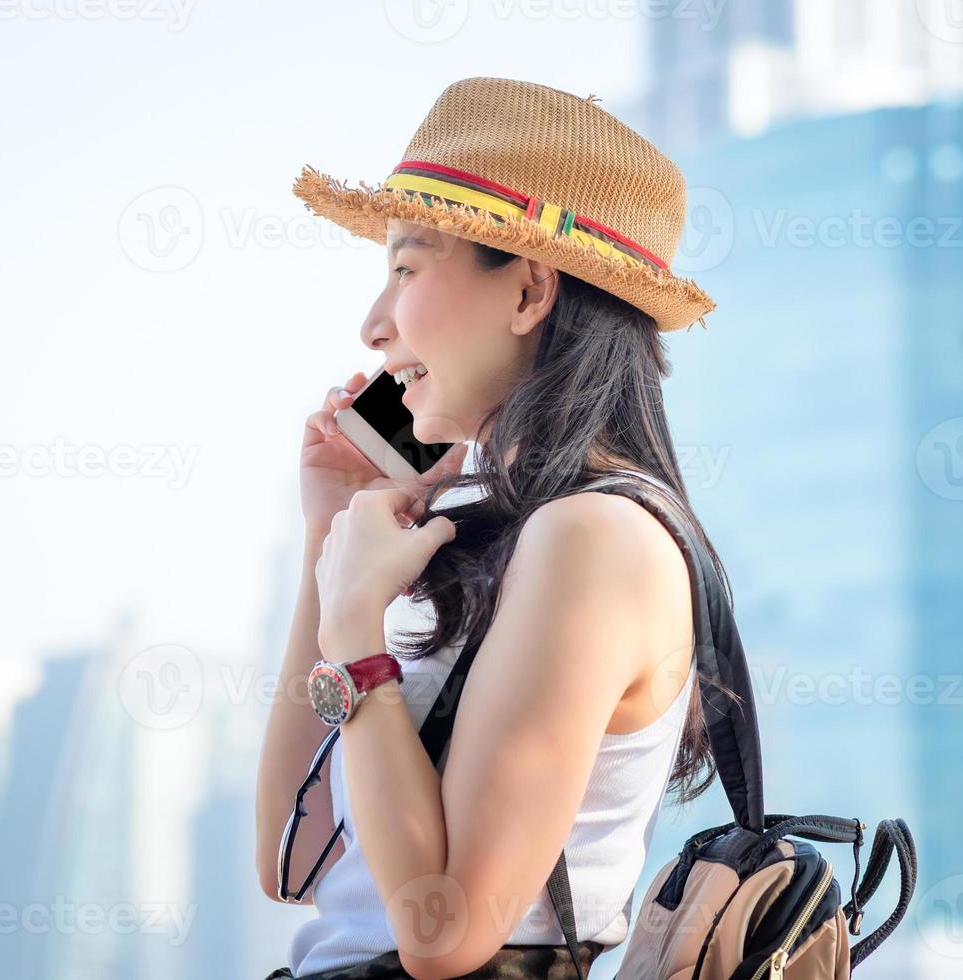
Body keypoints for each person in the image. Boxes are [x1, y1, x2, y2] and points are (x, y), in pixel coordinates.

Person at [254, 77, 734, 980]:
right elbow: (292, 858)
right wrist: (327, 547)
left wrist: (359, 629)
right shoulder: (505, 531)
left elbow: (444, 936)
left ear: (528, 293)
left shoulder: (595, 536)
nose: (373, 325)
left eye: (406, 267)